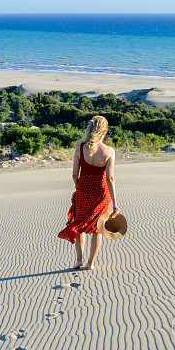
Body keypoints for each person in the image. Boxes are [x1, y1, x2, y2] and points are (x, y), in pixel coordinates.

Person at [58, 115, 120, 270]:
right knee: (97, 229)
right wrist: (115, 204)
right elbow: (110, 178)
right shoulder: (109, 151)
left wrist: (79, 187)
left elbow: (74, 174)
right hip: (101, 193)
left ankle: (79, 260)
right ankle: (90, 263)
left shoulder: (80, 148)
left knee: (80, 226)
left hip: (83, 191)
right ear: (104, 132)